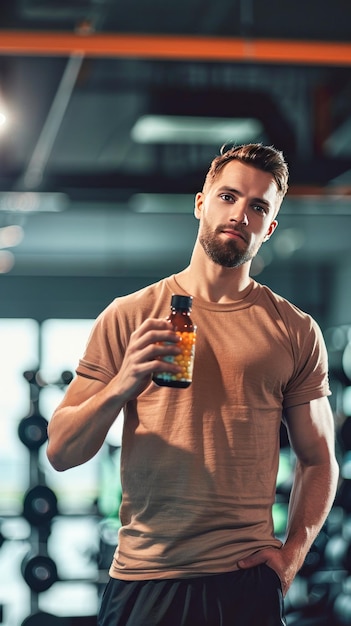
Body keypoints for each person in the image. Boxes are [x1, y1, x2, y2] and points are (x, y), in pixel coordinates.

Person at [47, 143, 339, 626]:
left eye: (258, 206)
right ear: (200, 202)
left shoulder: (294, 329)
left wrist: (292, 556)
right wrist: (123, 383)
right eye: (228, 197)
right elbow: (61, 451)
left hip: (244, 581)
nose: (239, 214)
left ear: (269, 227)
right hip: (146, 577)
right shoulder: (129, 315)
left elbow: (320, 458)